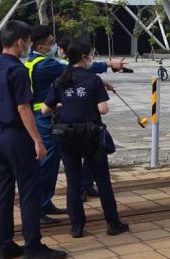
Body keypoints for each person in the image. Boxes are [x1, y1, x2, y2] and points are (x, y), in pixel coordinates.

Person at [0, 20, 67, 259]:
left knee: (3, 192)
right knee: (29, 191)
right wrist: (38, 141)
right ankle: (33, 245)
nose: (28, 45)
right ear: (20, 41)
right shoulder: (17, 70)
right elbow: (23, 108)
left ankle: (5, 244)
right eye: (28, 41)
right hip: (18, 137)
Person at [28, 26, 124, 224]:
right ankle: (40, 206)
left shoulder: (32, 61)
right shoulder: (47, 66)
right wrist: (106, 65)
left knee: (63, 171)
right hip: (51, 121)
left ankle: (63, 215)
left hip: (46, 116)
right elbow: (75, 70)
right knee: (49, 165)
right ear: (40, 45)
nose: (54, 46)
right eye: (50, 43)